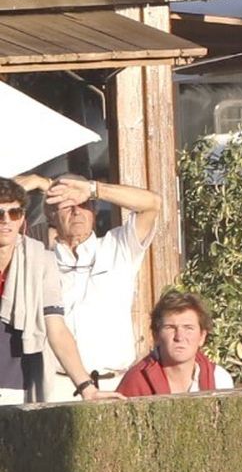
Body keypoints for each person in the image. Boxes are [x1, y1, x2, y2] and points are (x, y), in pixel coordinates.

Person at [13, 170, 160, 401]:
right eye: (67, 205)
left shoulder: (117, 246)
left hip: (116, 383)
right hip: (56, 385)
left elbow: (152, 204)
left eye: (83, 204)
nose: (77, 211)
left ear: (94, 210)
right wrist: (40, 183)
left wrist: (93, 189)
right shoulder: (36, 257)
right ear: (50, 213)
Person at [0, 177, 116, 403]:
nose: (6, 220)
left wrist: (87, 388)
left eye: (14, 213)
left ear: (22, 218)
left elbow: (57, 329)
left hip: (17, 384)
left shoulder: (41, 261)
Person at [116, 290, 235, 395]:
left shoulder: (219, 380)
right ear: (156, 335)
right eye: (170, 328)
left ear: (202, 337)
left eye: (188, 328)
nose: (179, 337)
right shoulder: (136, 382)